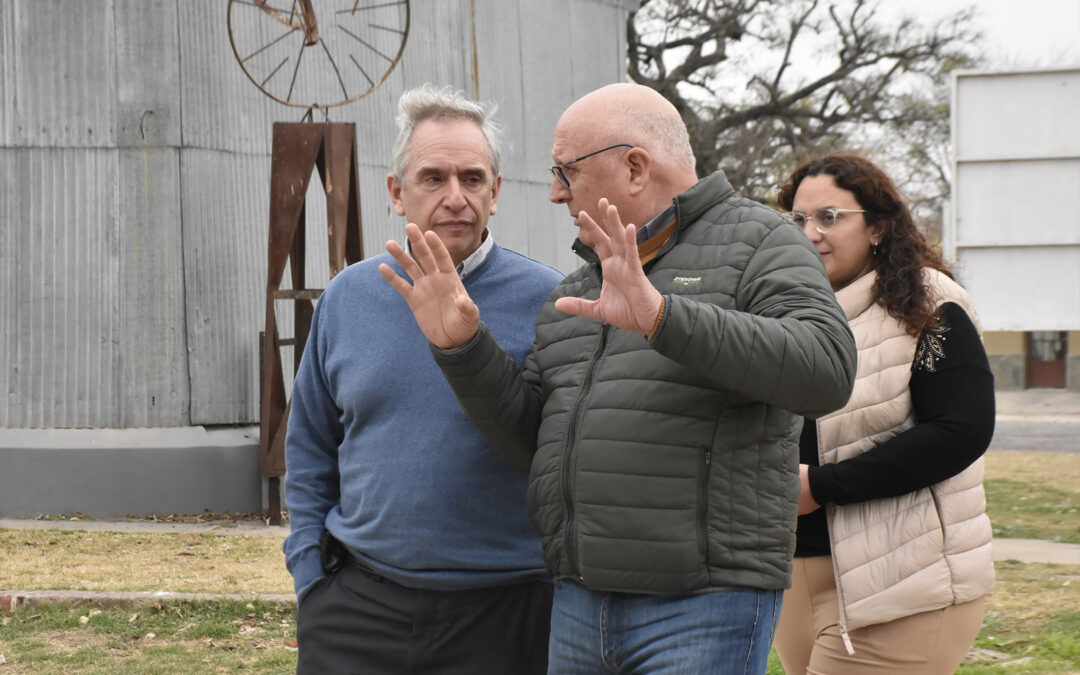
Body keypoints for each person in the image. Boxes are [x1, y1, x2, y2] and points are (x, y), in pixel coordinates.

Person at [380, 82, 858, 674]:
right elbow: (533, 444)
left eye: (567, 171)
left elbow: (827, 371)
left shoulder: (765, 242)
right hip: (579, 601)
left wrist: (662, 317)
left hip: (703, 604)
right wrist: (463, 348)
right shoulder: (577, 288)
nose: (555, 193)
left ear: (635, 168)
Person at [282, 84, 564, 675]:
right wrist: (312, 577)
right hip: (357, 609)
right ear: (396, 192)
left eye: (473, 178)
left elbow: (562, 455)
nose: (455, 197)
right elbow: (310, 446)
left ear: (497, 193)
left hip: (505, 613)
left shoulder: (549, 300)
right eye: (433, 178)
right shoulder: (348, 297)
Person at [772, 153, 996, 674]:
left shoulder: (930, 305)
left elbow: (960, 431)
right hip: (794, 577)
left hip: (904, 584)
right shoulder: (786, 309)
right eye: (799, 219)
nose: (810, 234)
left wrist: (822, 487)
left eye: (829, 217)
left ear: (877, 226)